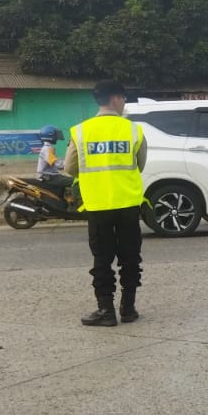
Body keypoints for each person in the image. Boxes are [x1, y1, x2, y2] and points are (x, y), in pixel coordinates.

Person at [64, 81, 148, 326]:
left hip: (98, 205)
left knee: (102, 259)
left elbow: (69, 168)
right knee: (130, 257)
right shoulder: (133, 130)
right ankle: (128, 309)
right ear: (115, 99)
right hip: (128, 204)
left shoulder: (81, 131)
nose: (124, 103)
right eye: (123, 99)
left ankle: (106, 311)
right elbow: (140, 164)